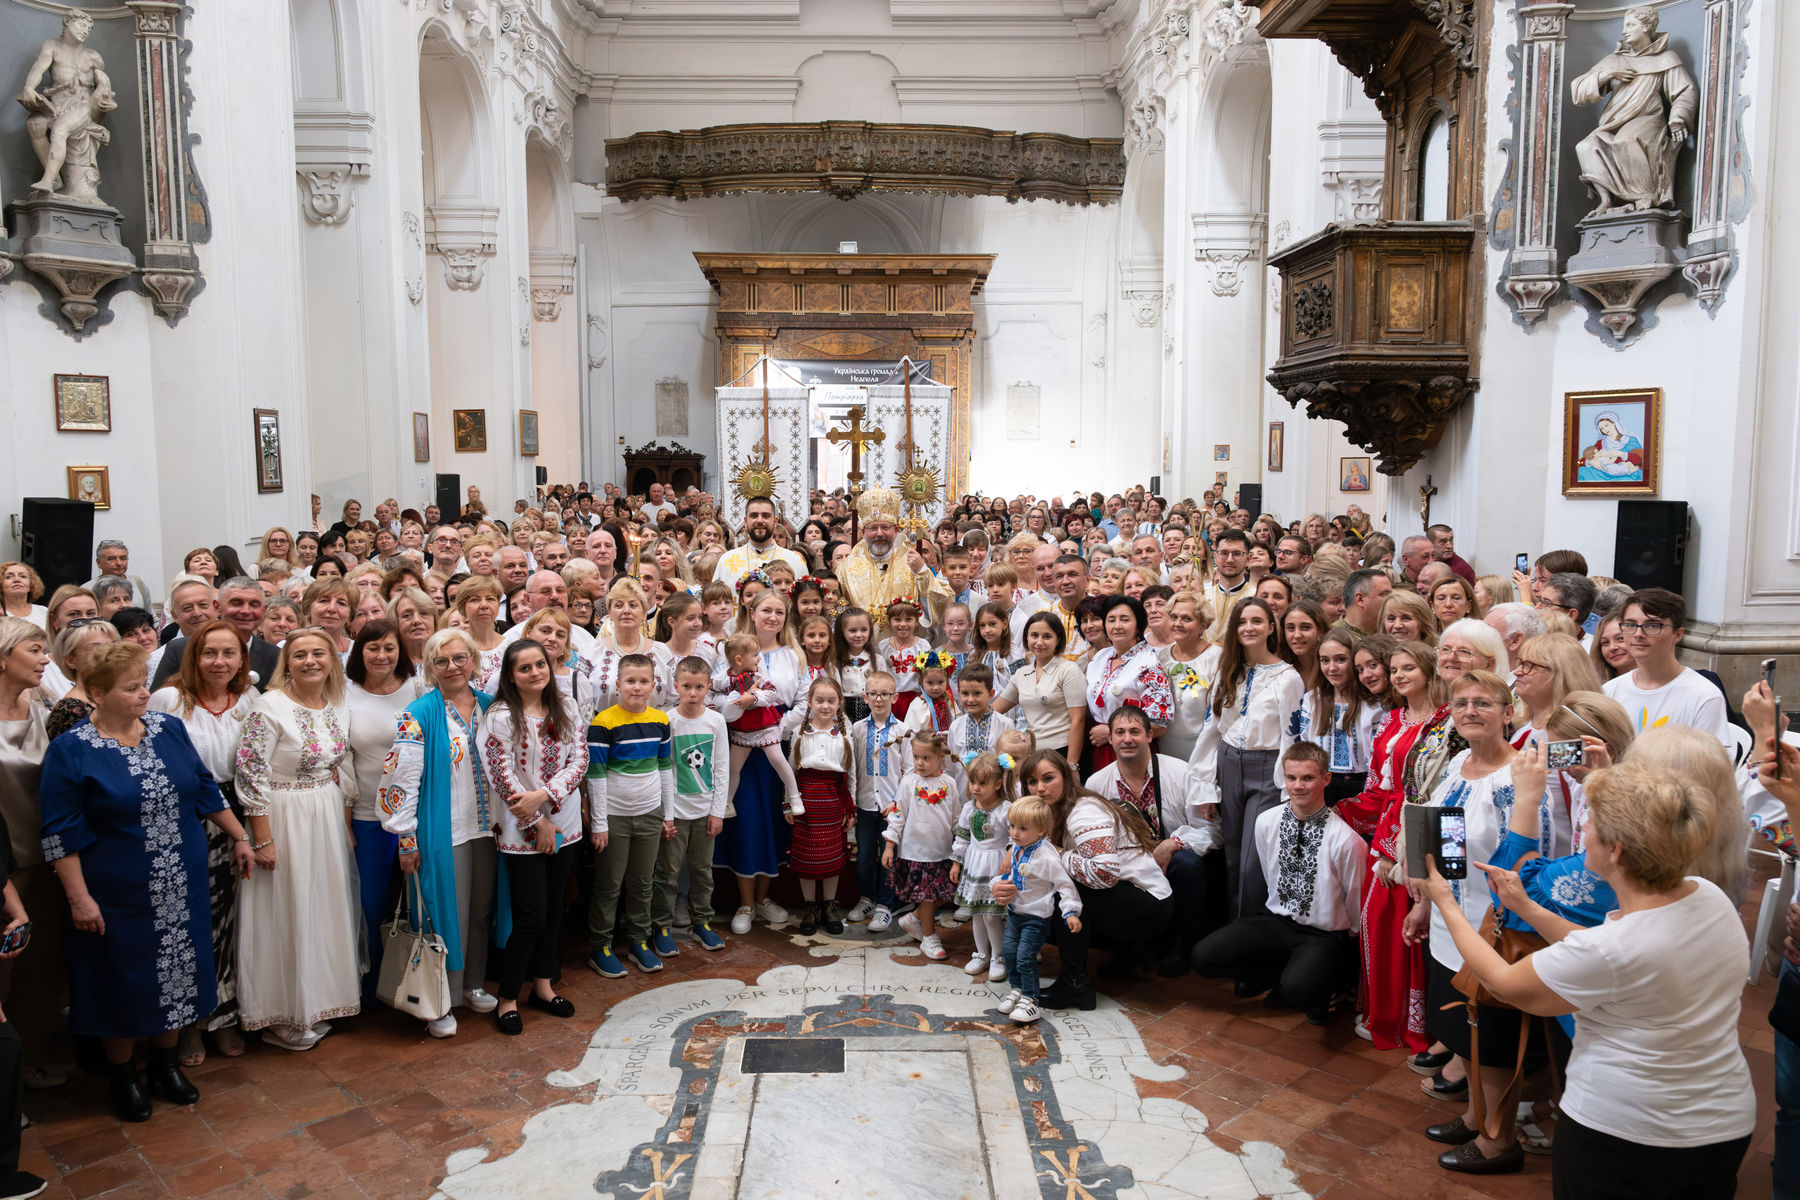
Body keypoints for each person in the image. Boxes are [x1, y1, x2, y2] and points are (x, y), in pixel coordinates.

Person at [1421, 759, 1752, 1197]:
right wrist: (1528, 909)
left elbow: (1504, 981)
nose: (1584, 830)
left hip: (1627, 1131)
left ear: (1615, 849)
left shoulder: (1610, 951)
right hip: (1723, 1120)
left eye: (1591, 821)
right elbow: (1615, 950)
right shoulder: (1707, 895)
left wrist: (1443, 901)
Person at [38, 641, 254, 1121]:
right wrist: (79, 898)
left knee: (180, 973)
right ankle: (123, 1077)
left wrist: (241, 836)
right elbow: (59, 834)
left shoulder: (167, 728)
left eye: (143, 683)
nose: (144, 694)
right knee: (122, 982)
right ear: (97, 692)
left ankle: (165, 1064)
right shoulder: (71, 750)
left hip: (182, 883)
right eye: (131, 687)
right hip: (116, 893)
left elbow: (203, 787)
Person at [1404, 670, 1535, 1174]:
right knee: (1465, 1030)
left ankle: (1499, 1143)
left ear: (1508, 712)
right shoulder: (1459, 763)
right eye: (1462, 703)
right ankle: (1476, 1115)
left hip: (1491, 928)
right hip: (1448, 919)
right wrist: (1423, 903)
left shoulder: (1516, 776)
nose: (1471, 710)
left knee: (1495, 1041)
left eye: (1484, 702)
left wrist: (1497, 920)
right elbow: (1438, 839)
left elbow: (1525, 858)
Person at [233, 629, 362, 1052]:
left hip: (324, 814)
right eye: (300, 654)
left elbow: (340, 772)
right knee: (285, 909)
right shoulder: (267, 707)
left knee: (322, 908)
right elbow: (250, 776)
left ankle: (322, 1003)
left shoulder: (338, 706)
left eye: (319, 653)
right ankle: (283, 1012)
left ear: (332, 660)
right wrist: (263, 841)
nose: (310, 661)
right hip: (282, 815)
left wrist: (343, 826)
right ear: (286, 661)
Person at [147, 619, 259, 1064]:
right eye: (209, 652)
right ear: (193, 657)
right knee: (199, 920)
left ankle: (227, 1016)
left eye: (229, 653)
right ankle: (192, 1021)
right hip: (189, 817)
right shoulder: (169, 700)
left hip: (243, 811)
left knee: (236, 919)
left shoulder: (249, 700)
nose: (219, 662)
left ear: (241, 659)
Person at [1191, 743, 1365, 1024]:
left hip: (1322, 934)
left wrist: (1347, 941)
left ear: (1326, 779)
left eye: (1308, 778)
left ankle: (1324, 982)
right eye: (1291, 778)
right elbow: (1271, 875)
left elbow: (1355, 897)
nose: (1298, 786)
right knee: (1203, 957)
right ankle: (1279, 974)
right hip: (1277, 922)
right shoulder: (1266, 822)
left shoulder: (1346, 840)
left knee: (1300, 990)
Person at [379, 627, 499, 1037]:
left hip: (488, 828)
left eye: (460, 658)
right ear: (430, 667)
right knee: (442, 911)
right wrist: (405, 838)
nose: (452, 667)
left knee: (481, 909)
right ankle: (439, 998)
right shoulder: (419, 712)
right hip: (442, 829)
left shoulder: (490, 706)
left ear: (473, 661)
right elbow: (403, 778)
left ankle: (473, 984)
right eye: (442, 660)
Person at [1341, 640, 1444, 1052]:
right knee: (1378, 924)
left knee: (1410, 929)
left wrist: (1393, 848)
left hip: (1418, 835)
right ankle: (1383, 1012)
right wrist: (1338, 812)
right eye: (1395, 669)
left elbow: (1428, 796)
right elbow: (1376, 788)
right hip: (1386, 828)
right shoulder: (1392, 719)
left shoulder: (1445, 722)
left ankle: (1412, 1023)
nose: (1399, 676)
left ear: (1429, 671)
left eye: (1409, 669)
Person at [479, 639, 586, 1034]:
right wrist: (535, 820)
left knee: (556, 909)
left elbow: (580, 759)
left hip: (565, 823)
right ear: (510, 675)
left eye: (540, 664)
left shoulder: (567, 706)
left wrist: (546, 796)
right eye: (524, 668)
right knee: (530, 916)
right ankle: (508, 996)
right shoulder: (501, 716)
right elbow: (500, 773)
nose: (535, 672)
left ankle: (543, 984)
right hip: (521, 827)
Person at [1086, 706, 1220, 978]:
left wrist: (1173, 844)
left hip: (1171, 863)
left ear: (1149, 735)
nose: (1127, 739)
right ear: (1110, 739)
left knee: (1186, 863)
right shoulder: (1096, 784)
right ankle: (1130, 945)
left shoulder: (1182, 773)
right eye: (1120, 732)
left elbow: (1213, 830)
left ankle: (1180, 945)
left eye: (1135, 732)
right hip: (1126, 867)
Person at [1190, 597, 1303, 918]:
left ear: (1271, 627)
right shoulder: (1229, 670)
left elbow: (1291, 738)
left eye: (1257, 621)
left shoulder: (1287, 677)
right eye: (1242, 621)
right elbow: (1212, 730)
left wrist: (1287, 789)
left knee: (1254, 862)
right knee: (1232, 857)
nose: (1249, 627)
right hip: (1228, 763)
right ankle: (1232, 937)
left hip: (1267, 769)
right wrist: (1204, 787)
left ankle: (1251, 939)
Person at [342, 621, 425, 1000]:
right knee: (372, 902)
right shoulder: (345, 695)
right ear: (359, 651)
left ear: (401, 651)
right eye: (372, 648)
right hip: (368, 814)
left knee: (420, 897)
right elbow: (342, 763)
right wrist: (347, 824)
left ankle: (420, 982)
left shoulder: (418, 687)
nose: (381, 655)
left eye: (389, 647)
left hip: (418, 812)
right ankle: (372, 980)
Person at [584, 653, 675, 977]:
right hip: (614, 818)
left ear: (654, 684)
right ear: (618, 684)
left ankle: (639, 941)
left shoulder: (661, 720)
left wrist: (668, 815)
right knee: (609, 884)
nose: (637, 687)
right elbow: (595, 775)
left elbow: (665, 769)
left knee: (642, 883)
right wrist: (599, 823)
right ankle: (602, 946)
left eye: (643, 681)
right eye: (630, 681)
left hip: (650, 813)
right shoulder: (603, 723)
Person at [652, 656, 729, 954]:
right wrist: (666, 815)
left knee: (701, 870)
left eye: (699, 687)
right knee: (668, 873)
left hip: (704, 811)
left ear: (709, 686)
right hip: (676, 813)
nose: (693, 693)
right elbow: (665, 770)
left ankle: (702, 922)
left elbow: (720, 767)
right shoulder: (667, 721)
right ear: (676, 686)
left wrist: (716, 812)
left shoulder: (716, 721)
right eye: (686, 686)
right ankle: (661, 925)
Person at [992, 794, 1082, 1025]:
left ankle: (1031, 1000)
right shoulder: (1020, 848)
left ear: (1040, 831)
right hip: (1015, 912)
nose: (1014, 833)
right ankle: (1018, 989)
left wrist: (1070, 911)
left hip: (1035, 917)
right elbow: (1011, 875)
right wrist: (998, 883)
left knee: (1024, 957)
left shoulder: (1046, 857)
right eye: (1012, 826)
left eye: (1022, 828)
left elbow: (1064, 884)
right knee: (1010, 953)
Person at [1601, 589, 1730, 743]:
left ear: (1677, 634)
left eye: (1652, 626)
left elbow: (1710, 764)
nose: (1638, 634)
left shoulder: (1704, 695)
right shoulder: (1610, 691)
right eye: (1630, 625)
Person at [779, 676, 856, 935]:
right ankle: (811, 907)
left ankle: (830, 907)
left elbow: (851, 774)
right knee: (807, 859)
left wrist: (851, 807)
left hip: (833, 801)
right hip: (805, 802)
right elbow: (789, 772)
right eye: (819, 700)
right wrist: (788, 804)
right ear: (809, 702)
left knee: (832, 858)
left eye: (831, 701)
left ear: (839, 703)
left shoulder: (846, 731)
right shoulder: (799, 732)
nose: (825, 706)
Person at [884, 733, 959, 961]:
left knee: (947, 892)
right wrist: (890, 845)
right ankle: (929, 936)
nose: (919, 763)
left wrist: (961, 845)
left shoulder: (950, 784)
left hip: (943, 851)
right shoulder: (909, 782)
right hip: (916, 851)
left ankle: (913, 918)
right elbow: (897, 814)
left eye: (926, 758)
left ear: (940, 758)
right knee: (926, 896)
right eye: (916, 757)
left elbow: (955, 818)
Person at [1082, 594, 1172, 774]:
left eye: (1124, 620)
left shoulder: (1148, 664)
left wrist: (1110, 732)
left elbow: (1160, 725)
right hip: (1099, 749)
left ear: (1138, 624)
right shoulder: (1101, 657)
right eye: (1111, 620)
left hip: (1133, 750)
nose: (1117, 626)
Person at [951, 751, 1017, 983]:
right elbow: (962, 836)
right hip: (975, 864)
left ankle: (999, 957)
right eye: (972, 781)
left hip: (996, 865)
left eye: (983, 783)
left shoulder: (1005, 809)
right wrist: (956, 862)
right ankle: (981, 954)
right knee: (977, 914)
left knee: (992, 917)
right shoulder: (969, 808)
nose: (976, 788)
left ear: (998, 783)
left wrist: (1010, 852)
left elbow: (1015, 836)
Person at [153, 577, 279, 690]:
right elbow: (157, 707)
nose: (246, 611)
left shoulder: (275, 656)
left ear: (264, 611)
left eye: (254, 605)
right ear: (217, 607)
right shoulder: (180, 649)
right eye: (236, 603)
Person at [993, 612, 1088, 758]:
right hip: (1032, 753)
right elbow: (994, 710)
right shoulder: (1021, 674)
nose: (1039, 642)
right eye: (1034, 635)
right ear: (1026, 637)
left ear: (1058, 639)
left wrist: (1072, 765)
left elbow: (1078, 720)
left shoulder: (1068, 670)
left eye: (1047, 636)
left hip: (1061, 751)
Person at [1158, 591, 1220, 762]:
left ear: (1204, 625)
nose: (1178, 624)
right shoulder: (1161, 657)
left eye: (1186, 619)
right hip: (1165, 751)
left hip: (1205, 753)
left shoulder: (1218, 658)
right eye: (1174, 617)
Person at [712, 497, 806, 587]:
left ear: (775, 522)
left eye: (766, 516)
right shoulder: (727, 560)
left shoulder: (795, 561)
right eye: (754, 516)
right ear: (745, 522)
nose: (760, 520)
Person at [85, 540, 153, 612]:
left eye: (123, 558)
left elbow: (151, 616)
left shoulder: (139, 582)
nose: (119, 563)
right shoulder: (87, 589)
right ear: (99, 562)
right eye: (111, 559)